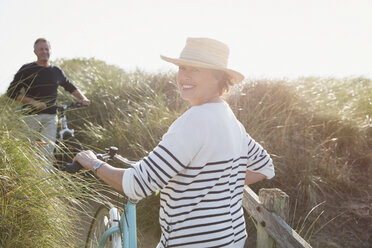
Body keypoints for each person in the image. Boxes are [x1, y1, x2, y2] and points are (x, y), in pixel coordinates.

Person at [73, 37, 275, 248]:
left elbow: (135, 185)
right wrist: (217, 182)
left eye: (195, 69)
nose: (183, 76)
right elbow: (265, 166)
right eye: (181, 68)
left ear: (218, 77)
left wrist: (93, 163)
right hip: (231, 241)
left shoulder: (194, 121)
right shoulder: (229, 118)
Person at [6, 38, 90, 157]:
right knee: (28, 152)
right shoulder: (27, 69)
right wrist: (33, 102)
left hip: (51, 117)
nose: (44, 52)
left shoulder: (56, 71)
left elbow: (69, 86)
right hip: (31, 117)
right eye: (41, 49)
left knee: (46, 151)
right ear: (35, 51)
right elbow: (12, 92)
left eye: (47, 49)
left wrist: (83, 98)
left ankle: (44, 174)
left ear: (50, 51)